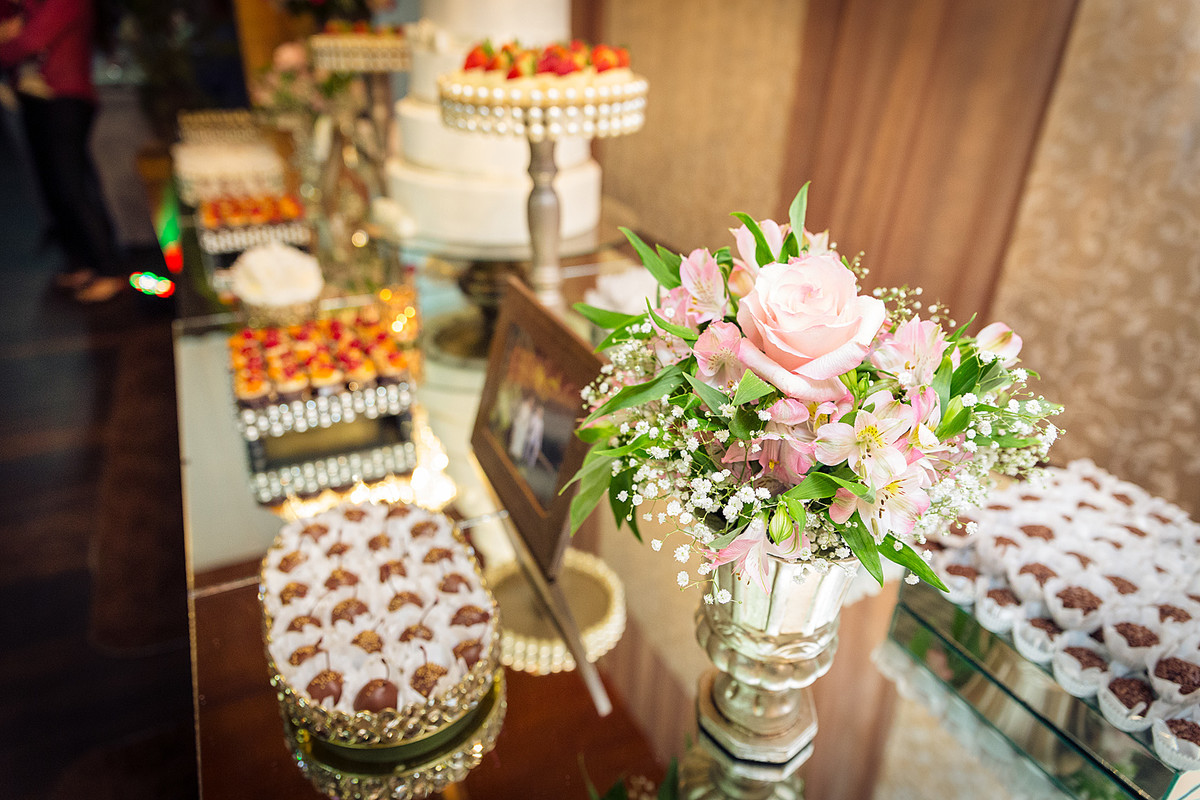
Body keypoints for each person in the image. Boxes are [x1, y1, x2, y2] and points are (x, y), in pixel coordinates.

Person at [0, 0, 124, 302]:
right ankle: (83, 262)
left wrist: (9, 39)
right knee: (54, 187)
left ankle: (108, 268)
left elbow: (28, 43)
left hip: (66, 98)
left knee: (71, 185)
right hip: (35, 97)